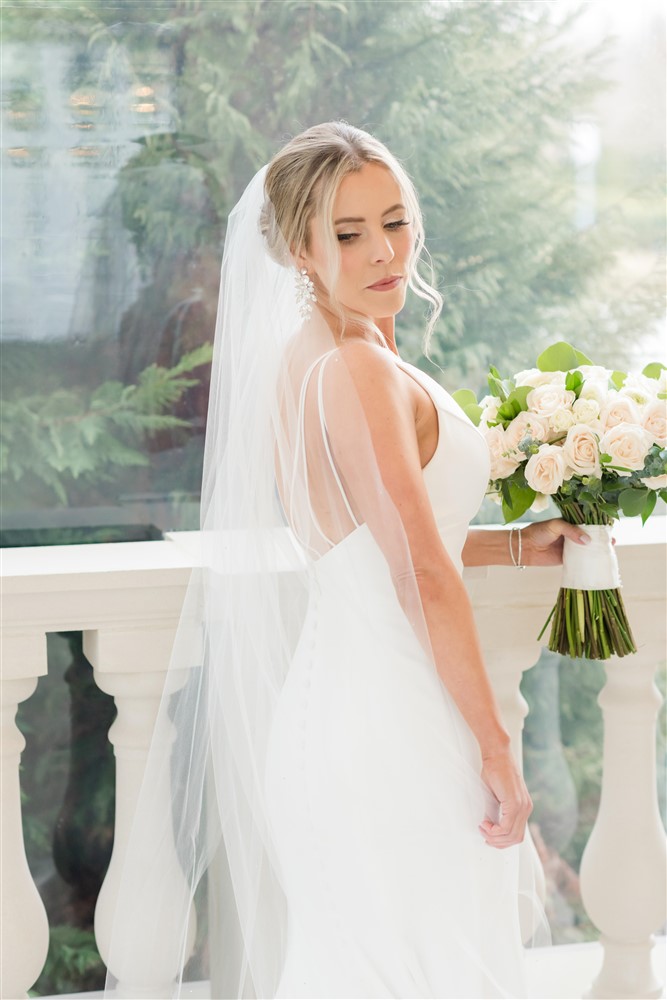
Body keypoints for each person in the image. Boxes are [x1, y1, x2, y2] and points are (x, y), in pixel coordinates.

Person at [103, 122, 590, 1000]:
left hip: (349, 717)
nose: (383, 252)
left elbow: (371, 546)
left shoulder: (318, 356)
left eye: (395, 221)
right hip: (389, 727)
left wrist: (517, 540)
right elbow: (416, 573)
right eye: (348, 233)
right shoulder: (356, 370)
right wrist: (493, 745)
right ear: (299, 249)